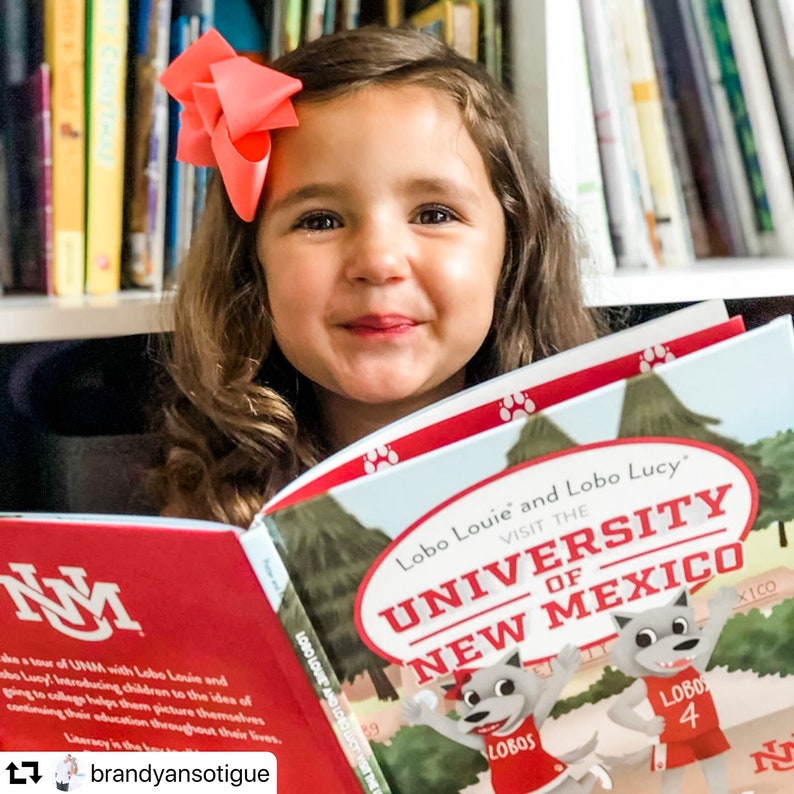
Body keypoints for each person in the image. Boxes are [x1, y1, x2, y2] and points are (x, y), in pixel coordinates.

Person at [153, 24, 604, 528]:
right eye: (320, 221)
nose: (378, 262)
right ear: (251, 266)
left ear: (512, 250)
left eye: (434, 215)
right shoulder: (207, 514)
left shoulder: (603, 483)